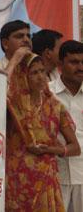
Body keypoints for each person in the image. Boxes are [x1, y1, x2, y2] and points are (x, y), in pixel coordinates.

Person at [5, 53, 80, 211]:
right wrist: (13, 62)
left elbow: (75, 148)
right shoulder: (13, 105)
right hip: (17, 179)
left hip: (46, 178)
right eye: (34, 73)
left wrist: (49, 150)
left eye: (42, 71)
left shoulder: (55, 106)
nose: (41, 77)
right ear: (22, 76)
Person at [49, 40, 83, 212]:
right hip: (55, 177)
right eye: (74, 62)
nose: (80, 67)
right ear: (60, 64)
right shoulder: (47, 94)